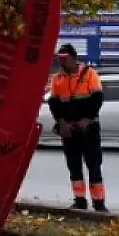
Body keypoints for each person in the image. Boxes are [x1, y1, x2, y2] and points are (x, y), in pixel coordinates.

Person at [48, 44, 107, 212]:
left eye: (64, 58)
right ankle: (80, 200)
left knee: (93, 165)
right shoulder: (57, 78)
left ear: (73, 58)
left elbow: (97, 99)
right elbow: (54, 103)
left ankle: (99, 203)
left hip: (89, 128)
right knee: (73, 166)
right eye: (60, 58)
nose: (61, 61)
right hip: (69, 129)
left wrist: (87, 119)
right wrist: (61, 123)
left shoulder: (89, 74)